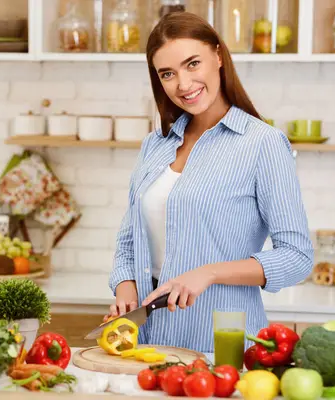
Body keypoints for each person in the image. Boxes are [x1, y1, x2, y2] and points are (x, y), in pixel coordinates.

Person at [106, 12, 313, 353]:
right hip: (144, 339)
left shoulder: (262, 144)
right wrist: (125, 288)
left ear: (218, 56)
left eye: (192, 64)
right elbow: (130, 238)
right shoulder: (154, 145)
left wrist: (210, 273)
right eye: (167, 74)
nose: (183, 85)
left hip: (219, 342)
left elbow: (297, 258)